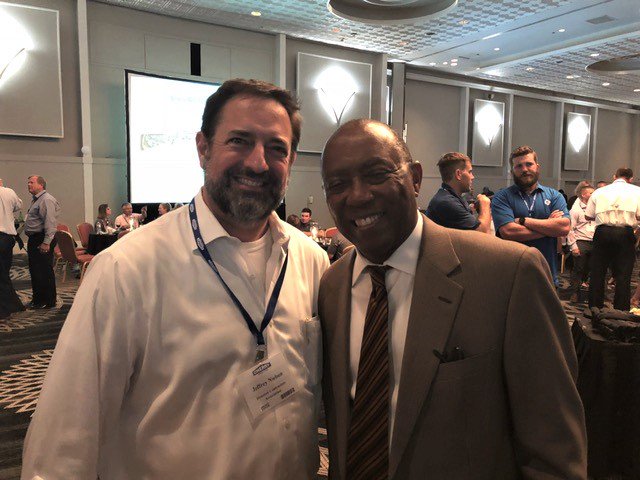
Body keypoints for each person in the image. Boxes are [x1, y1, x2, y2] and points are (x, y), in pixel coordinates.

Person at [22, 79, 329, 479]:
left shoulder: (313, 263)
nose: (258, 163)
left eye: (277, 149)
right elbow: (64, 440)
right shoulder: (126, 270)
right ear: (203, 148)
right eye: (239, 141)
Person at [319, 119, 586, 480]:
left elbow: (554, 446)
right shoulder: (332, 286)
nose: (358, 195)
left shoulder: (508, 274)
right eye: (338, 185)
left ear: (415, 178)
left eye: (377, 174)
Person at [490, 145, 570, 285]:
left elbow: (563, 227)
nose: (525, 169)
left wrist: (523, 220)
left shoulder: (554, 196)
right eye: (519, 166)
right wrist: (549, 229)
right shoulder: (502, 197)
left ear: (537, 167)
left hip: (547, 274)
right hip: (513, 275)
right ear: (512, 171)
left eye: (529, 164)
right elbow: (508, 231)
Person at [585, 167, 640, 311]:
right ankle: (621, 311)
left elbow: (587, 216)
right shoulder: (637, 191)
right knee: (623, 275)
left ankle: (594, 309)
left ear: (614, 176)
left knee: (597, 273)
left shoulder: (599, 191)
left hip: (602, 232)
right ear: (631, 179)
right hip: (625, 233)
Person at [426, 152, 492, 233]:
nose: (472, 177)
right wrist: (485, 204)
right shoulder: (446, 202)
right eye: (470, 172)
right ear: (458, 174)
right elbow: (483, 234)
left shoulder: (451, 196)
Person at [24, 175, 60, 309]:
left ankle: (49, 301)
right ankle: (38, 299)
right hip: (35, 238)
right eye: (28, 183)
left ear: (41, 185)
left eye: (31, 182)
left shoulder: (46, 200)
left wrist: (46, 242)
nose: (28, 185)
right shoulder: (36, 200)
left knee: (45, 271)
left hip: (42, 238)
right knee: (35, 270)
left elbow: (50, 223)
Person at [567, 181, 595, 302]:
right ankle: (574, 293)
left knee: (595, 269)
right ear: (583, 195)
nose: (594, 195)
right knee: (578, 269)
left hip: (595, 241)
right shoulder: (575, 210)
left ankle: (594, 296)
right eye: (591, 193)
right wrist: (573, 246)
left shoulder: (596, 207)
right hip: (581, 241)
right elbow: (570, 229)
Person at [0, 179, 25, 318]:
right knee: (4, 273)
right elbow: (18, 206)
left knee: (1, 275)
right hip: (8, 239)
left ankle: (5, 309)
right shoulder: (9, 192)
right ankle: (14, 304)